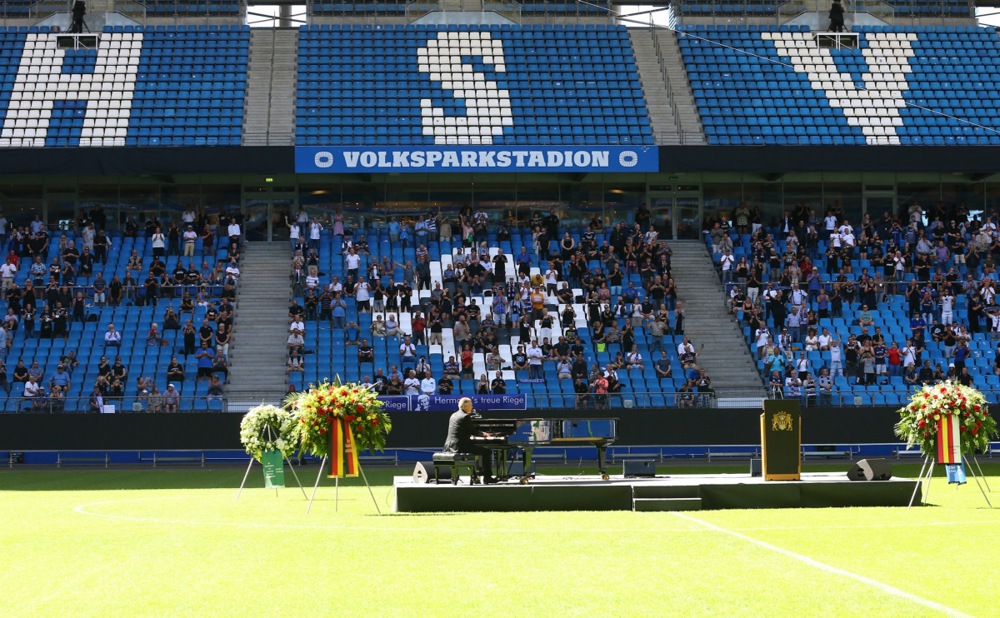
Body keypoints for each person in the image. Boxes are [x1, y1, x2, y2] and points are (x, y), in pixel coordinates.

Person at [442, 397, 496, 483]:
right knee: (486, 452)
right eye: (471, 405)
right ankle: (487, 478)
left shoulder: (454, 415)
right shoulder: (465, 416)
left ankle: (476, 475)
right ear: (465, 406)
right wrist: (485, 434)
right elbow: (473, 431)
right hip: (460, 446)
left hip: (450, 445)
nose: (472, 407)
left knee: (478, 448)